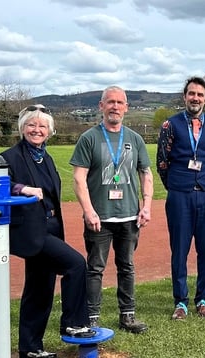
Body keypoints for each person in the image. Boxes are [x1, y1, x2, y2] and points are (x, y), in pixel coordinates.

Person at [2, 104, 93, 358]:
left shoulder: (47, 158)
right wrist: (22, 189)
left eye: (42, 126)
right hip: (32, 232)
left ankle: (30, 346)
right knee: (76, 264)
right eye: (32, 125)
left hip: (50, 227)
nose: (37, 130)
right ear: (22, 128)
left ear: (50, 131)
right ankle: (74, 323)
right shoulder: (9, 157)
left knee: (39, 287)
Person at [70, 86, 154, 334]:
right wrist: (88, 211)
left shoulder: (134, 139)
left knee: (126, 266)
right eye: (110, 102)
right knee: (95, 267)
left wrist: (146, 206)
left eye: (120, 102)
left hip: (129, 216)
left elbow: (146, 173)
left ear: (126, 107)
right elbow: (78, 178)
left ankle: (127, 316)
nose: (115, 107)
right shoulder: (89, 138)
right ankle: (92, 317)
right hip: (100, 217)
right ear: (101, 106)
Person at [157, 76, 205, 320]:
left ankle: (203, 299)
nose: (195, 98)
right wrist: (177, 185)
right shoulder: (170, 125)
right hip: (180, 196)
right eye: (191, 94)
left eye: (200, 95)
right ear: (184, 96)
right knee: (180, 250)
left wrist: (202, 182)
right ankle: (181, 301)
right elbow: (162, 162)